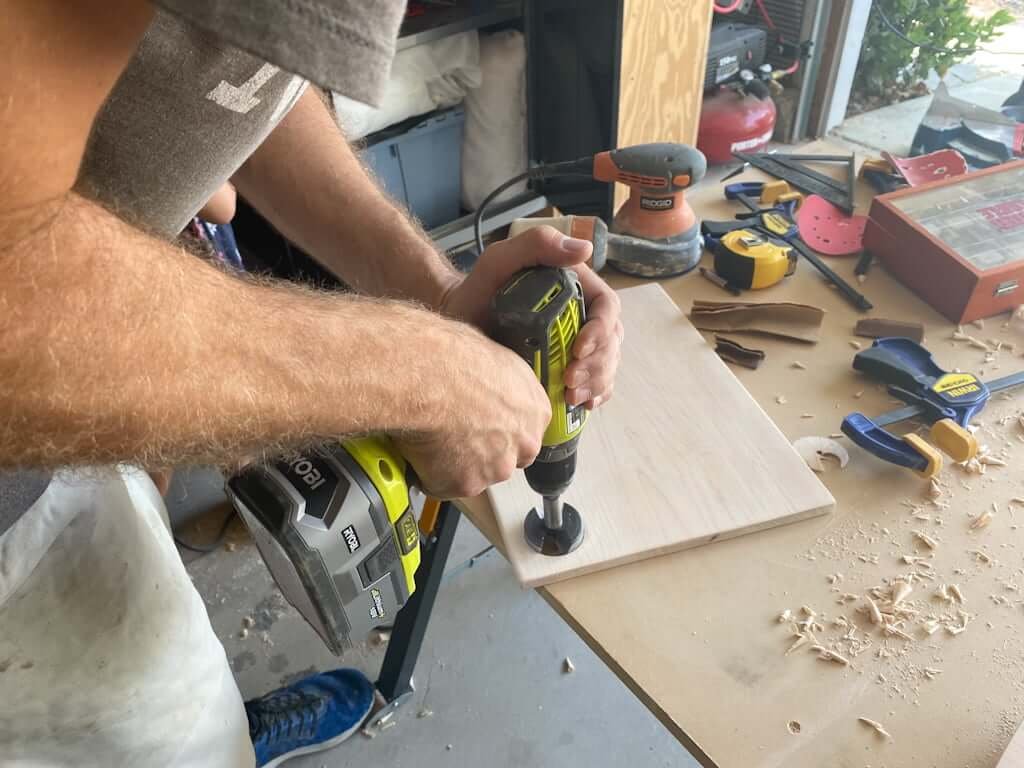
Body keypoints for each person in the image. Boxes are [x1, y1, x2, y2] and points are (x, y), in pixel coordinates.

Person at [0, 3, 624, 767]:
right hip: (18, 466)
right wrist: (417, 371)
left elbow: (242, 70)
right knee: (168, 736)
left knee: (182, 696)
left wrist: (428, 291)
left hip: (75, 411)